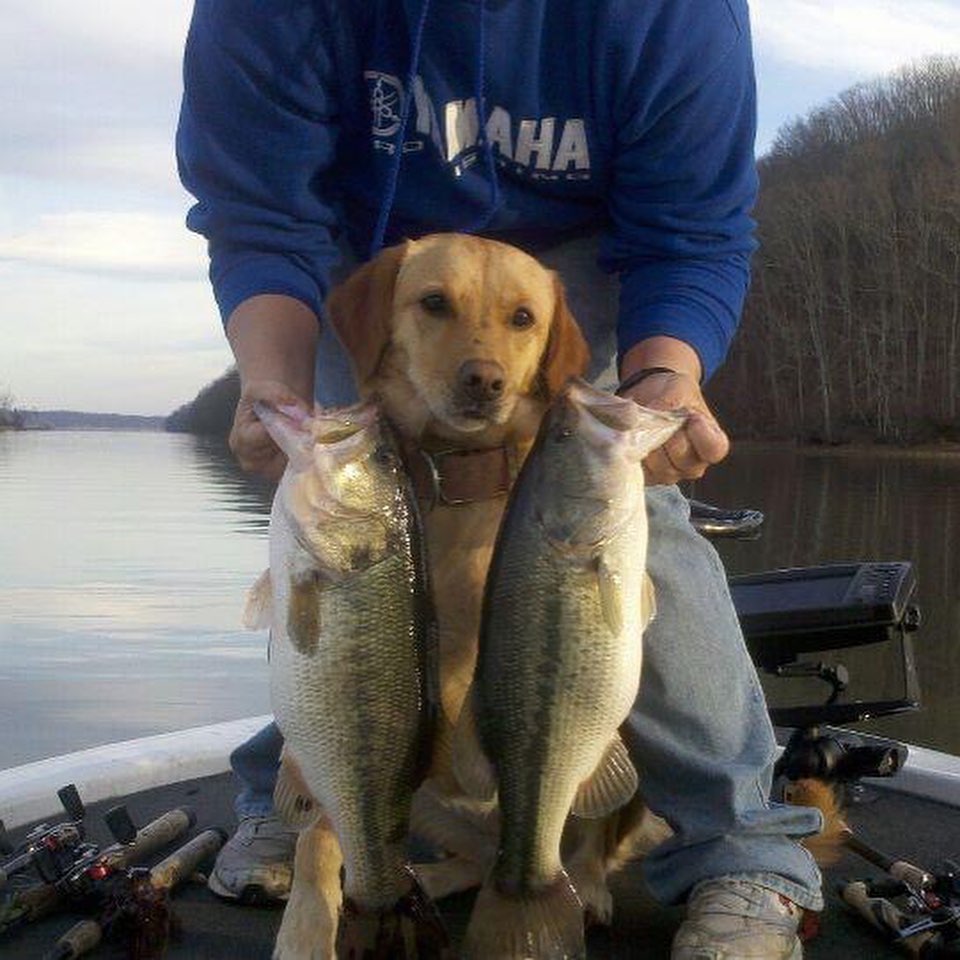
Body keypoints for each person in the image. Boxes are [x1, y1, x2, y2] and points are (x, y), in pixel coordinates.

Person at [177, 1, 824, 956]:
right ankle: (308, 798)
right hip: (371, 259)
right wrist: (272, 384)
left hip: (576, 256)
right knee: (340, 527)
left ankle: (743, 848)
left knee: (618, 507)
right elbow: (262, 212)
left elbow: (688, 230)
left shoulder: (673, 14)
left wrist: (665, 378)